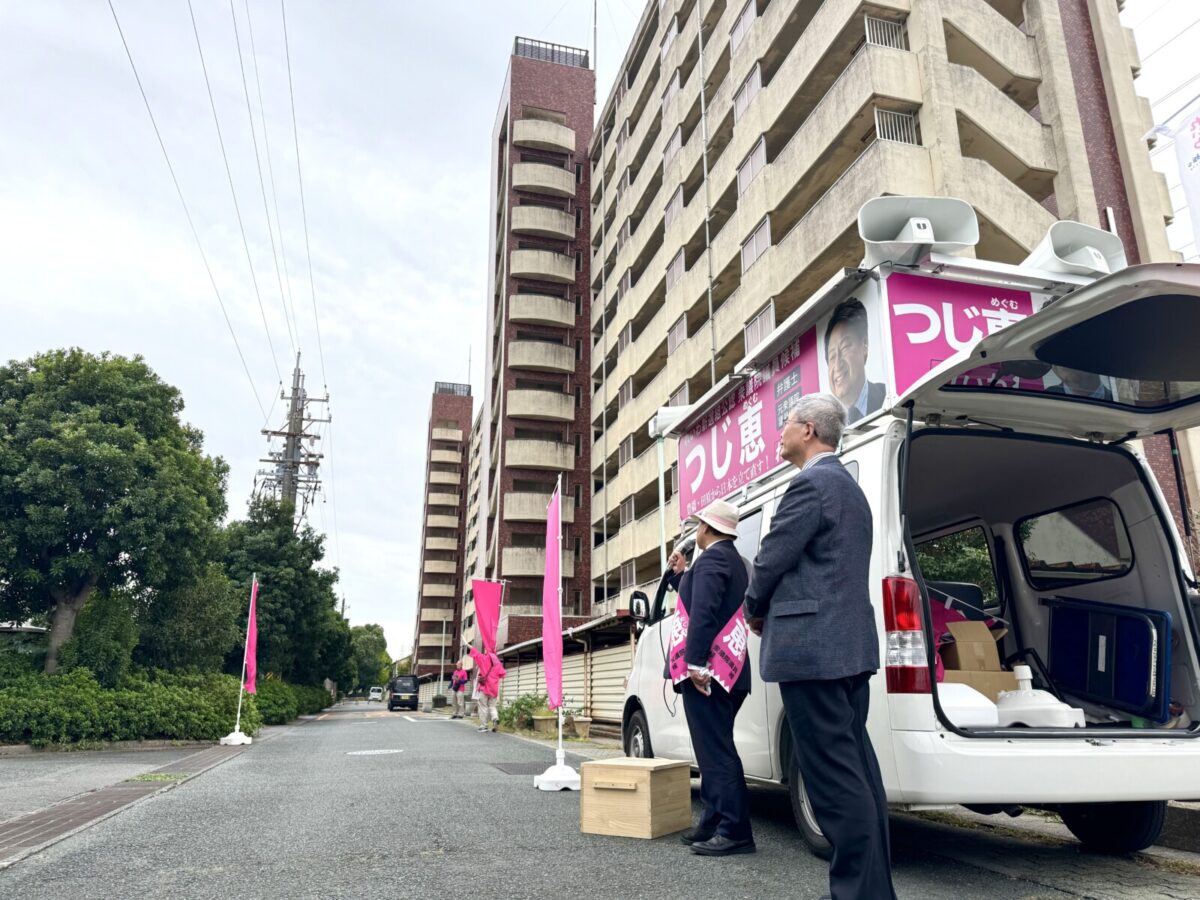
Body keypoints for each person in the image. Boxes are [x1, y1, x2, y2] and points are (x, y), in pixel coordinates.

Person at [744, 394, 896, 900]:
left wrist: (753, 608)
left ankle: (856, 893)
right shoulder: (850, 488)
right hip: (849, 648)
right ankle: (875, 891)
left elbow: (769, 559)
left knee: (832, 783)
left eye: (786, 424)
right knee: (857, 773)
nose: (780, 433)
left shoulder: (810, 485)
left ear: (808, 430)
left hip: (812, 652)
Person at [666, 499, 754, 857]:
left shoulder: (714, 560)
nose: (696, 531)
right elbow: (700, 599)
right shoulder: (732, 561)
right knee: (713, 748)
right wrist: (680, 575)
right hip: (728, 672)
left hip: (709, 674)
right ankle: (715, 820)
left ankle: (735, 830)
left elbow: (702, 613)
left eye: (699, 525)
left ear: (707, 528)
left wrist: (695, 663)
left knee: (716, 751)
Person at [824, 299, 884, 423]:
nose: (837, 365)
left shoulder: (887, 397)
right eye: (832, 356)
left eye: (845, 347)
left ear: (865, 344)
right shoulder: (826, 428)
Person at [468, 644, 506, 733]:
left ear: (487, 650)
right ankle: (495, 718)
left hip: (484, 688)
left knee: (483, 706)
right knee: (492, 706)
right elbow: (502, 674)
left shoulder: (484, 659)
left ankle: (484, 726)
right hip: (494, 689)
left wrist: (467, 644)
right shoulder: (498, 663)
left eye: (485, 649)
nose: (484, 650)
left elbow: (475, 653)